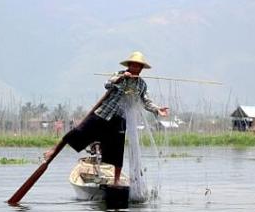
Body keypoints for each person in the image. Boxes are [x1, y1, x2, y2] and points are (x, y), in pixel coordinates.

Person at [43, 51, 168, 186]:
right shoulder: (119, 75)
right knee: (78, 132)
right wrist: (121, 78)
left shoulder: (141, 85)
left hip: (120, 119)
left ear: (141, 69)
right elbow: (108, 84)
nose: (136, 68)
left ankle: (116, 180)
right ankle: (53, 151)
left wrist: (157, 109)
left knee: (117, 149)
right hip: (103, 114)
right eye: (134, 65)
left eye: (139, 66)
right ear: (129, 66)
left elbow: (146, 101)